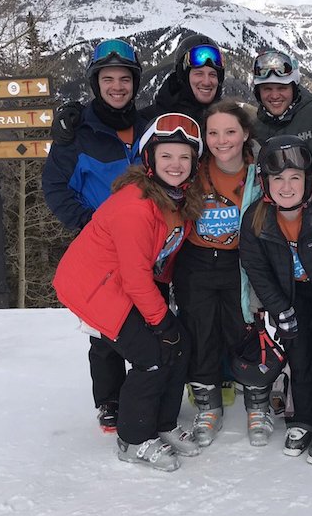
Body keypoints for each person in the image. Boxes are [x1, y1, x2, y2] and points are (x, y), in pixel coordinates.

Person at [52, 113, 206, 471]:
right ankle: (133, 439)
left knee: (178, 345)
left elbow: (161, 256)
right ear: (150, 159)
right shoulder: (136, 205)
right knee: (151, 354)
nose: (176, 164)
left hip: (121, 280)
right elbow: (137, 277)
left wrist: (168, 318)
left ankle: (163, 423)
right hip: (94, 287)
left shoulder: (177, 199)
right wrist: (160, 321)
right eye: (167, 155)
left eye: (184, 156)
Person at [42, 38, 146, 434]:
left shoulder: (147, 126)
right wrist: (90, 227)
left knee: (151, 317)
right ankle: (110, 400)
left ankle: (147, 387)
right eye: (108, 79)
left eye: (124, 78)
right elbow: (55, 186)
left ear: (135, 83)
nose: (117, 86)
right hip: (103, 250)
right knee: (105, 328)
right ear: (95, 82)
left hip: (148, 245)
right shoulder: (78, 133)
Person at [240, 135, 312, 464]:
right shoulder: (255, 219)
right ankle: (302, 418)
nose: (287, 187)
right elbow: (257, 270)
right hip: (290, 295)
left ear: (308, 180)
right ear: (265, 183)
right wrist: (280, 309)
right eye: (278, 179)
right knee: (299, 358)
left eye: (295, 178)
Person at [173, 100, 263, 447]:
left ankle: (257, 400)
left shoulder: (260, 169)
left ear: (245, 134)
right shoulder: (194, 168)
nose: (221, 140)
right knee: (201, 331)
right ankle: (207, 405)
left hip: (240, 262)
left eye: (229, 131)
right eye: (213, 133)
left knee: (244, 329)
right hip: (196, 260)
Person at [50, 33, 226, 143]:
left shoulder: (230, 120)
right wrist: (77, 114)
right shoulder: (151, 121)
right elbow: (112, 120)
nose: (207, 81)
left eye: (213, 75)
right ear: (183, 76)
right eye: (198, 73)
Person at [250, 49, 312, 222]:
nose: (274, 95)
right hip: (275, 227)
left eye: (282, 87)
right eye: (267, 89)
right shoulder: (254, 129)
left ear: (294, 88)